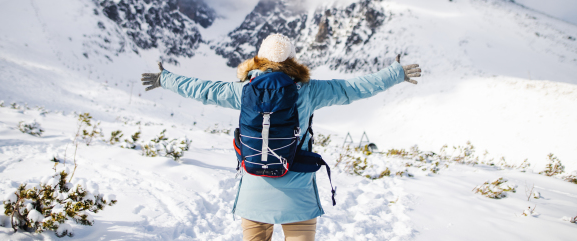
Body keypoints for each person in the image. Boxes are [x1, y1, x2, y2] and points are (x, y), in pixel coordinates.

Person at [141, 33, 421, 241]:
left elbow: (203, 89)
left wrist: (165, 79)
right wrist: (394, 74)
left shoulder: (244, 90)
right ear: (291, 60)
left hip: (254, 187)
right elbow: (352, 88)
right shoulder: (309, 90)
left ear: (259, 59)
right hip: (297, 191)